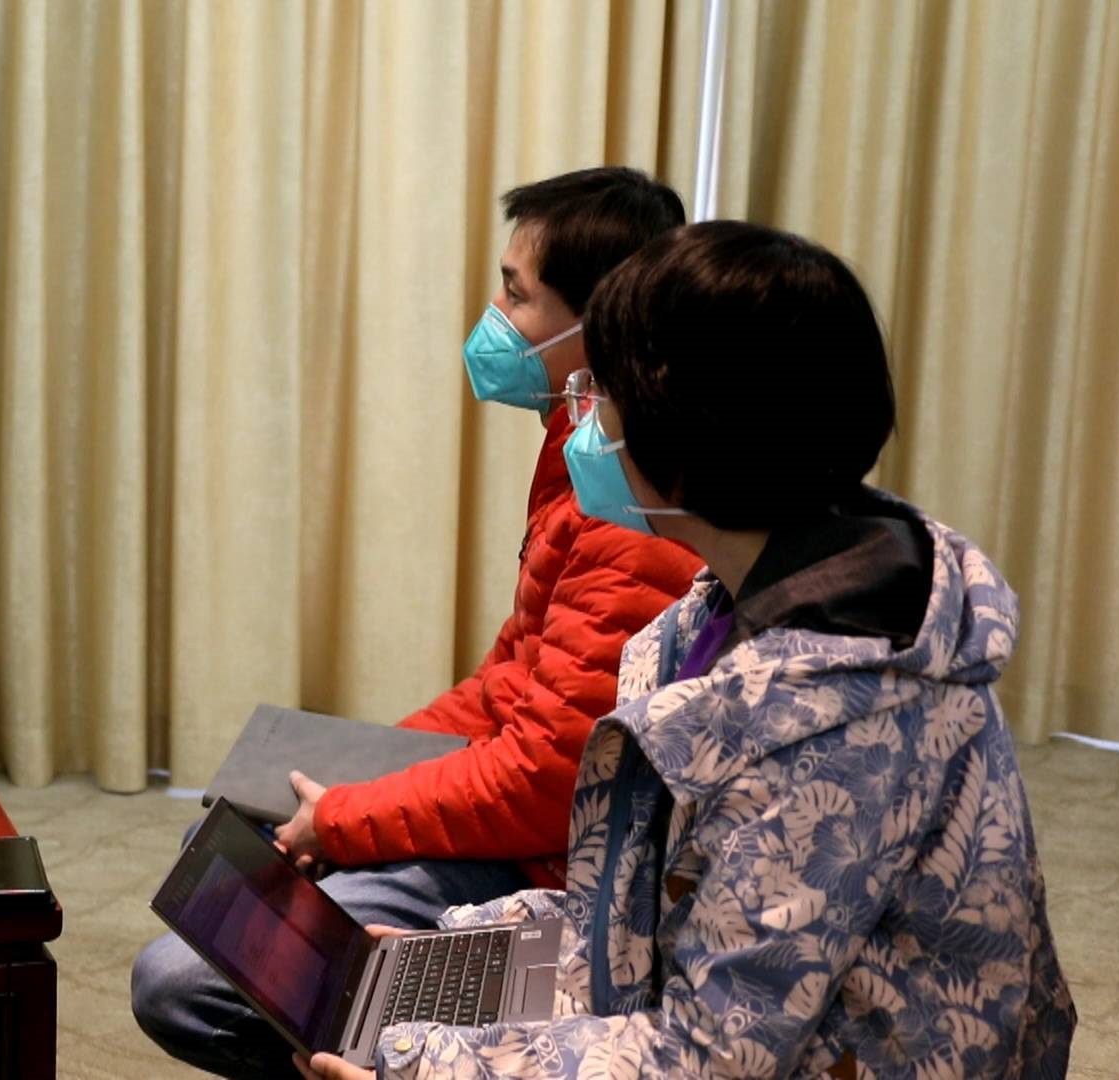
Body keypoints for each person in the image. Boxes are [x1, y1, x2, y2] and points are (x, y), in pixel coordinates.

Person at [301, 221, 1076, 1079]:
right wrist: (455, 953)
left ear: (684, 435)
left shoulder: (833, 723)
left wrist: (421, 1064)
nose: (584, 415)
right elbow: (648, 915)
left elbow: (711, 1056)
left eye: (603, 390)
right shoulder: (734, 602)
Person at [133, 167, 704, 1079]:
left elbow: (547, 781)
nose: (494, 316)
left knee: (182, 978)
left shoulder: (628, 512)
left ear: (600, 323)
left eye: (516, 294)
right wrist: (352, 780)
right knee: (239, 856)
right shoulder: (577, 452)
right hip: (525, 837)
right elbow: (510, 681)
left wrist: (348, 821)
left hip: (544, 873)